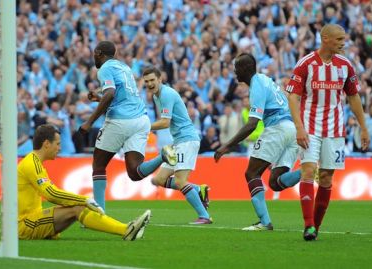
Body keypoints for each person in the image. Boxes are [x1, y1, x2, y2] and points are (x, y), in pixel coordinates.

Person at [286, 24, 370, 241]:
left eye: (344, 38)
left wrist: (364, 127)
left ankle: (316, 226)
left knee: (326, 177)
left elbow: (353, 97)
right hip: (309, 127)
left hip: (335, 130)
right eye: (339, 39)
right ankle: (308, 226)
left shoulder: (345, 66)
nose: (343, 42)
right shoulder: (306, 64)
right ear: (325, 38)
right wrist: (299, 127)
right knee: (308, 171)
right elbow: (293, 97)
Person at [79, 41, 177, 211]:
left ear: (98, 52)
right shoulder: (123, 67)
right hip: (141, 120)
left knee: (99, 165)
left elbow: (110, 93)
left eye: (94, 54)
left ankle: (98, 214)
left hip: (120, 121)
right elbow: (118, 92)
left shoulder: (104, 69)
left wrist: (89, 121)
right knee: (134, 172)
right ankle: (162, 156)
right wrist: (99, 96)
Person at [18, 124, 151, 240]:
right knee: (78, 208)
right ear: (46, 144)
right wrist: (85, 200)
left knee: (77, 207)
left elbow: (54, 194)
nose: (59, 148)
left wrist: (83, 201)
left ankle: (126, 229)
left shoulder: (35, 162)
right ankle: (126, 230)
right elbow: (51, 194)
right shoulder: (32, 164)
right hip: (25, 224)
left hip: (31, 220)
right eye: (57, 144)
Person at [214, 53, 301, 231]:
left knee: (251, 173)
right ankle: (307, 171)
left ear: (245, 69)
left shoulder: (257, 86)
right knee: (275, 182)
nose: (235, 72)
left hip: (277, 129)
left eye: (237, 68)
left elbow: (252, 124)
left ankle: (264, 222)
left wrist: (226, 146)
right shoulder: (267, 80)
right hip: (291, 129)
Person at [142, 66, 212, 224]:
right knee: (159, 180)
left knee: (180, 181)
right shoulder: (156, 96)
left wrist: (145, 127)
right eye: (147, 81)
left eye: (153, 80)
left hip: (187, 140)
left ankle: (204, 216)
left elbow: (165, 122)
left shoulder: (166, 94)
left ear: (160, 79)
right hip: (178, 141)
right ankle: (198, 189)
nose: (150, 84)